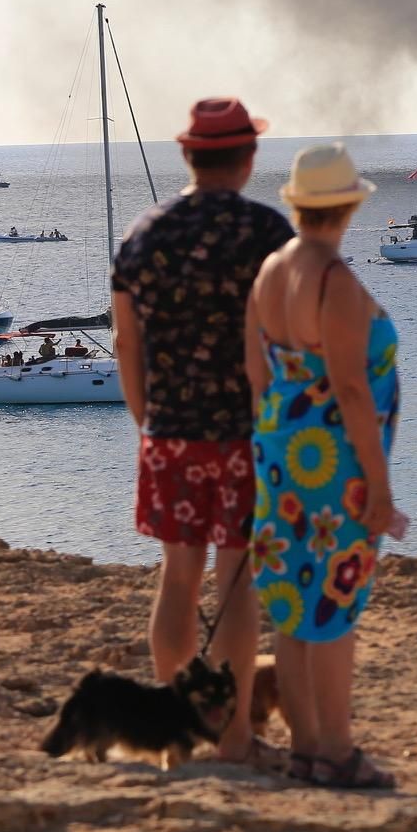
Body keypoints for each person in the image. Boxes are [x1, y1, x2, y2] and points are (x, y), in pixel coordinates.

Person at [112, 97, 294, 768]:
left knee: (178, 580)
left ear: (187, 155)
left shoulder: (143, 235)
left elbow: (126, 342)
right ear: (248, 159)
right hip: (248, 435)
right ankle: (236, 739)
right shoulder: (269, 234)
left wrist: (147, 422)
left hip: (171, 432)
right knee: (236, 584)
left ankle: (177, 738)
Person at [245, 142, 398, 789]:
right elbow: (352, 389)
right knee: (334, 607)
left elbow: (258, 379)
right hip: (332, 464)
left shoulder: (270, 271)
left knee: (293, 602)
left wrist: (272, 454)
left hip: (281, 455)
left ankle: (308, 748)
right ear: (348, 206)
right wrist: (380, 488)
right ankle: (335, 750)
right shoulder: (331, 280)